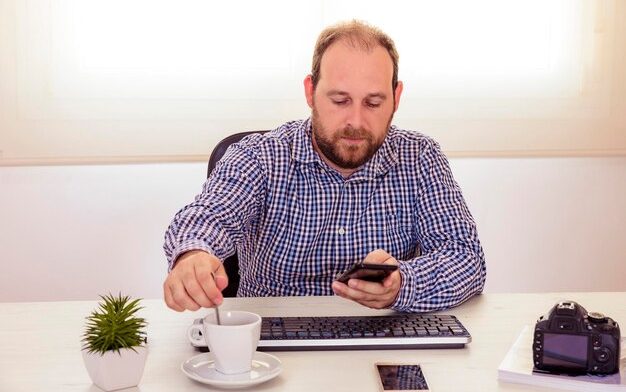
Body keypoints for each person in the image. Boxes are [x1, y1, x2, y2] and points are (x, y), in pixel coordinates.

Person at [163, 20, 486, 313]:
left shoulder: (420, 157)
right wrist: (193, 256)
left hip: (382, 338)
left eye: (373, 103)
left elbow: (466, 259)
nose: (356, 122)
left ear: (396, 97)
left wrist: (403, 283)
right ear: (310, 92)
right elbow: (206, 217)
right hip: (271, 344)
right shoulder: (259, 157)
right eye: (340, 100)